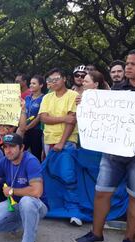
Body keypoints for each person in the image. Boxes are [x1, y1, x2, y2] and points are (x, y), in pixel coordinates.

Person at [74, 49, 135, 242]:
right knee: (101, 191)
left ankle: (129, 241)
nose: (127, 66)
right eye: (127, 63)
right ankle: (96, 233)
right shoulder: (116, 90)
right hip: (112, 151)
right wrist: (85, 106)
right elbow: (103, 117)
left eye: (133, 64)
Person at [39, 67, 79, 226]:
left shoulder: (73, 95)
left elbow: (72, 121)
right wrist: (63, 118)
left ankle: (73, 211)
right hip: (48, 141)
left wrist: (62, 142)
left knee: (68, 177)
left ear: (64, 79)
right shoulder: (47, 98)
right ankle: (54, 207)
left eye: (56, 79)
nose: (53, 83)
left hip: (67, 143)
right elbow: (43, 118)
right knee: (51, 176)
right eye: (50, 80)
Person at [23, 75, 45, 161]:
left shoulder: (44, 98)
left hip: (36, 131)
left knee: (36, 154)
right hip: (24, 130)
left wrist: (27, 127)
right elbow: (23, 112)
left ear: (41, 85)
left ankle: (37, 173)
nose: (31, 85)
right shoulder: (27, 98)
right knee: (21, 152)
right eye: (30, 83)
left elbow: (39, 117)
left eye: (34, 83)